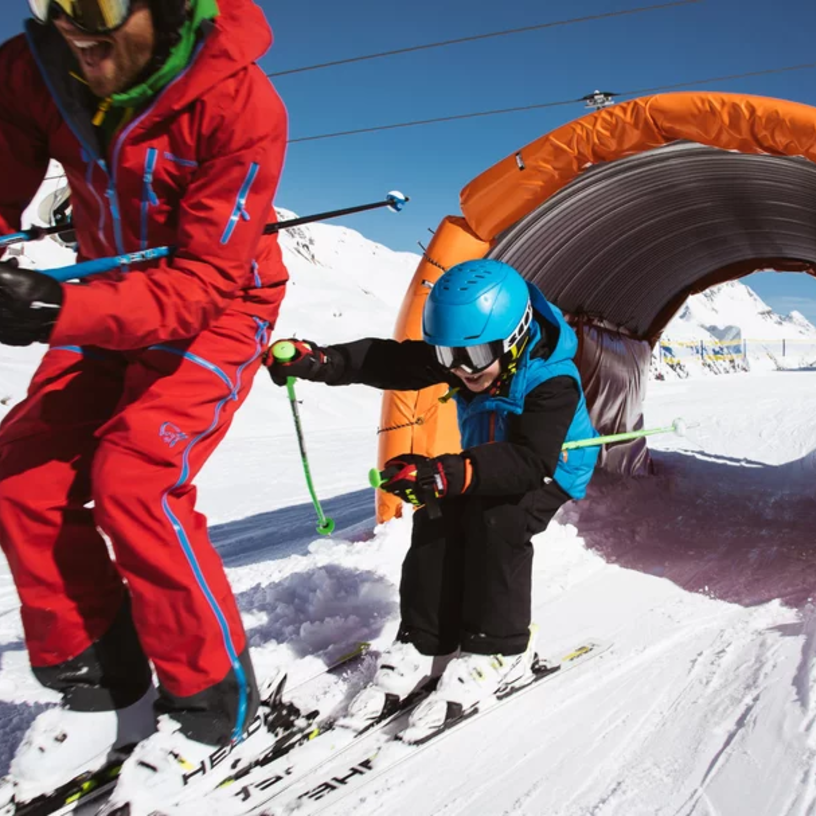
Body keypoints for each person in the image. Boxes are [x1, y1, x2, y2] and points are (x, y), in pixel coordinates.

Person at [0, 0, 288, 810]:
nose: (77, 41)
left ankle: (217, 710)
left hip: (220, 302)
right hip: (103, 290)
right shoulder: (34, 67)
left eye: (97, 18)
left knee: (135, 478)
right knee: (22, 473)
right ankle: (103, 695)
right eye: (54, 12)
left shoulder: (241, 105)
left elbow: (201, 281)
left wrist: (57, 311)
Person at [266, 259, 600, 735]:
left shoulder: (552, 380)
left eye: (476, 356)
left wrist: (449, 471)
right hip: (487, 459)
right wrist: (324, 362)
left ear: (518, 335)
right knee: (437, 514)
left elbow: (530, 461)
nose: (462, 370)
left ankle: (500, 648)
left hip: (550, 468)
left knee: (499, 519)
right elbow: (391, 361)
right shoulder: (468, 356)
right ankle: (427, 642)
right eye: (448, 357)